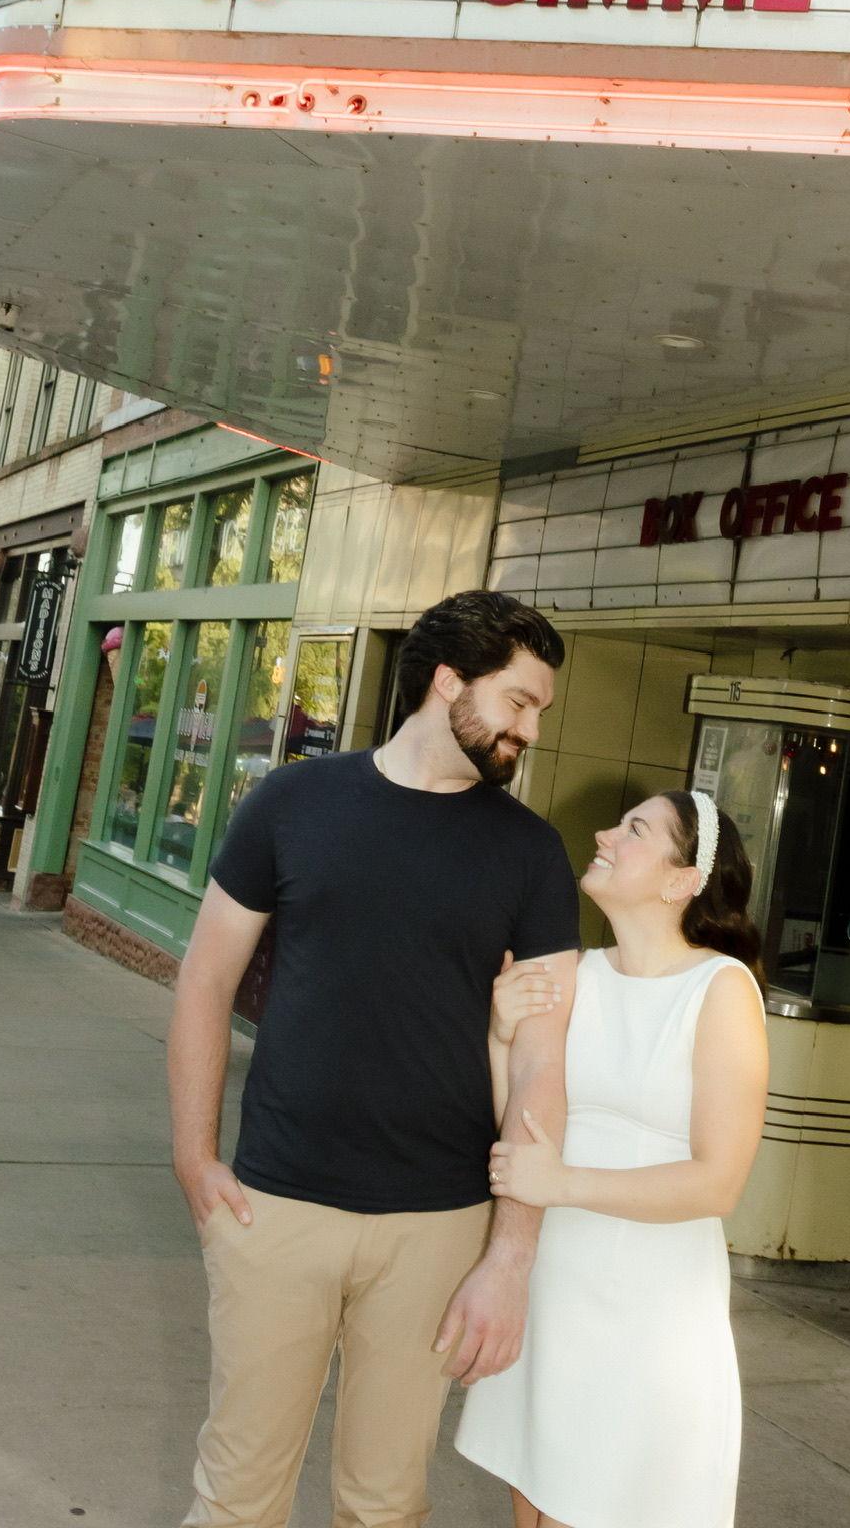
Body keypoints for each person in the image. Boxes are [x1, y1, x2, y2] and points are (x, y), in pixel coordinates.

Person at [165, 590, 582, 1528]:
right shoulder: (291, 803)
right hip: (277, 1204)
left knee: (385, 1506)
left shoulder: (532, 854)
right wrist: (194, 1156)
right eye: (518, 702)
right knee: (235, 1499)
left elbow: (541, 1066)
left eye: (539, 711)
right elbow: (204, 981)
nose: (530, 730)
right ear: (448, 682)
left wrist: (510, 1255)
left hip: (438, 1225)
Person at [454, 787, 770, 1528]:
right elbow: (521, 1134)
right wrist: (502, 1038)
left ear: (681, 879)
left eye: (634, 830)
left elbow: (718, 1183)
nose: (603, 835)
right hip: (553, 1289)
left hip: (648, 1315)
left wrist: (561, 1183)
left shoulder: (721, 990)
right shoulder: (579, 974)